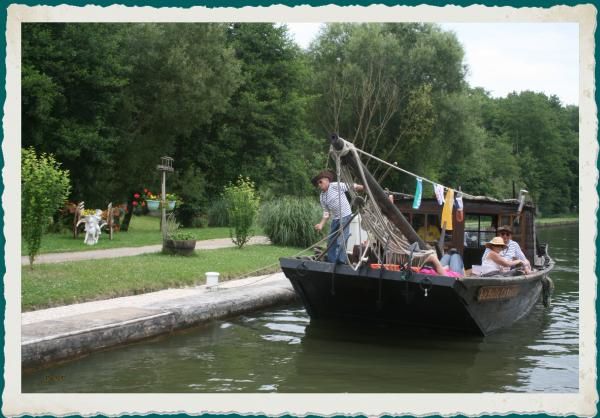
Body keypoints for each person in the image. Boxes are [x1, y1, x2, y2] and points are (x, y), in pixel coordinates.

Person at [312, 170, 364, 264]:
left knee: (342, 240)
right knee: (331, 241)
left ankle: (341, 262)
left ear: (327, 180)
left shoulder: (335, 186)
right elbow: (326, 213)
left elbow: (351, 186)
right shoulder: (322, 197)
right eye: (317, 183)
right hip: (335, 219)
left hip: (345, 216)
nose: (319, 184)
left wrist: (364, 188)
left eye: (320, 181)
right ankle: (331, 262)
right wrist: (321, 224)